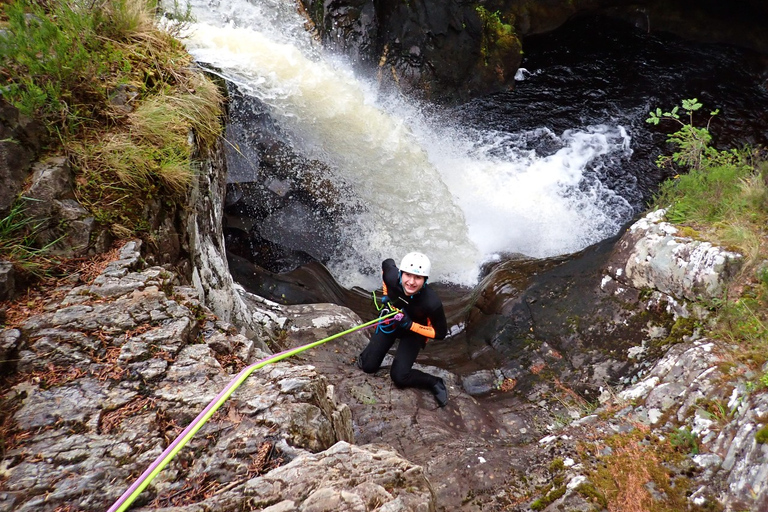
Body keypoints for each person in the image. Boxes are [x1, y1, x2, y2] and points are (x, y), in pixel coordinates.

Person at [357, 251, 449, 407]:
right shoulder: (392, 277)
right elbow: (387, 263)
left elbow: (440, 333)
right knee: (367, 366)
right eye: (408, 275)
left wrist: (410, 325)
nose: (411, 282)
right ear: (401, 274)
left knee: (400, 377)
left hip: (414, 331)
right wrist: (386, 296)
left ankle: (434, 382)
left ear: (425, 280)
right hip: (392, 320)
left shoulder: (431, 302)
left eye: (418, 278)